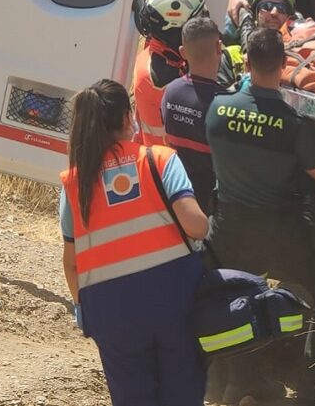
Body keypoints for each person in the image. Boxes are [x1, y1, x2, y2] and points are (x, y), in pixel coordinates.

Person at [206, 28, 315, 406]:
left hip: (227, 229)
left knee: (236, 300)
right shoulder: (293, 124)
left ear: (246, 62)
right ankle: (310, 392)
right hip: (279, 232)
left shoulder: (217, 109)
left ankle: (241, 384)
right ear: (285, 65)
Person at [60, 79, 209, 406]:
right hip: (174, 298)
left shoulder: (74, 183)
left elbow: (71, 262)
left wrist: (82, 309)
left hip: (111, 310)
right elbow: (195, 227)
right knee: (182, 392)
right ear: (128, 118)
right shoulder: (160, 160)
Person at [161, 16, 226, 213]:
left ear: (182, 52)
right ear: (219, 48)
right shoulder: (225, 103)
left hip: (172, 196)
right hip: (208, 206)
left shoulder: (170, 92)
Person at [132, 0, 206, 145]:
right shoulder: (160, 76)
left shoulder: (163, 54)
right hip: (164, 162)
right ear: (174, 30)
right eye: (194, 26)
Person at [218, 0, 296, 88]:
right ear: (255, 13)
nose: (274, 12)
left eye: (282, 8)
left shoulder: (296, 55)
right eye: (267, 6)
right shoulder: (232, 55)